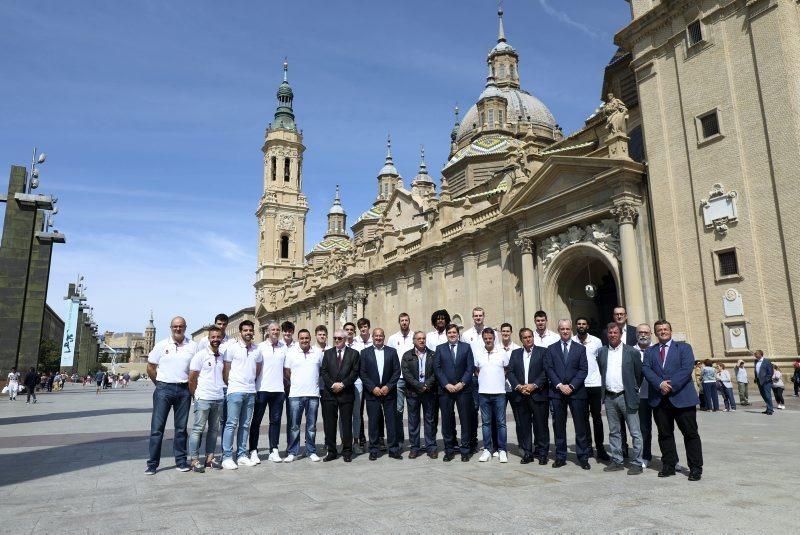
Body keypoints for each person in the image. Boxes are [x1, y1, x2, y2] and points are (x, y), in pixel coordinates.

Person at [642, 319, 703, 481]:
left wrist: (671, 385)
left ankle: (695, 468)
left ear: (670, 331)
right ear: (655, 333)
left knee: (690, 434)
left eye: (665, 329)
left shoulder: (684, 348)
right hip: (659, 399)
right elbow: (646, 369)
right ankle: (669, 465)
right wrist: (660, 384)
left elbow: (686, 368)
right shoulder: (650, 351)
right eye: (659, 330)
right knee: (664, 434)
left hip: (682, 398)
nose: (662, 331)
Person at [145, 316, 198, 475]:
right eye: (175, 326)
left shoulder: (193, 346)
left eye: (181, 326)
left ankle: (181, 461)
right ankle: (152, 464)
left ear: (185, 327)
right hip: (164, 389)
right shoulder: (162, 345)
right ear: (171, 327)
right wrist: (160, 384)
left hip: (183, 390)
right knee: (157, 429)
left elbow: (195, 370)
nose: (178, 329)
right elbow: (150, 367)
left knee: (181, 429)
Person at [597, 323, 644, 475]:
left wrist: (633, 389)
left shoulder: (631, 352)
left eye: (615, 332)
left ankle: (637, 462)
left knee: (635, 432)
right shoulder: (602, 352)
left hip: (627, 396)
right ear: (607, 335)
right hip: (610, 398)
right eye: (610, 333)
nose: (612, 335)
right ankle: (617, 460)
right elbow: (601, 370)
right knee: (614, 431)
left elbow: (639, 374)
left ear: (620, 334)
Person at [544, 319, 590, 469]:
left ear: (571, 330)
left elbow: (583, 370)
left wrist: (571, 386)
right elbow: (549, 369)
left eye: (567, 329)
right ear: (558, 330)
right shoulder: (551, 349)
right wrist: (559, 385)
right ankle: (560, 456)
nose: (565, 331)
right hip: (557, 393)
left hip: (576, 392)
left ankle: (583, 457)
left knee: (580, 425)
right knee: (559, 426)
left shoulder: (580, 349)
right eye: (562, 329)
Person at [221, 320, 263, 470]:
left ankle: (242, 455)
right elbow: (226, 370)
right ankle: (226, 456)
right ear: (240, 332)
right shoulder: (232, 348)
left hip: (250, 391)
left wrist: (250, 383)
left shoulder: (257, 350)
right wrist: (232, 384)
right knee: (231, 424)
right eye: (245, 330)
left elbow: (257, 369)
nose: (248, 333)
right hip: (235, 391)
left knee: (245, 425)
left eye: (250, 330)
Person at [507, 328, 549, 465]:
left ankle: (542, 453)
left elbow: (545, 371)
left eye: (530, 336)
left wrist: (534, 385)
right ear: (521, 339)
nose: (528, 339)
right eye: (525, 337)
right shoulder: (515, 353)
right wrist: (519, 386)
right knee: (523, 426)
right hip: (521, 395)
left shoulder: (542, 352)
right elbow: (510, 372)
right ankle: (527, 453)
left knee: (540, 425)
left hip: (538, 394)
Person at [188, 326, 226, 472]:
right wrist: (196, 395)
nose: (216, 339)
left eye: (218, 337)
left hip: (218, 397)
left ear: (222, 338)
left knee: (213, 430)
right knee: (198, 429)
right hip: (203, 397)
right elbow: (192, 378)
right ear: (209, 338)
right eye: (213, 337)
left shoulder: (222, 356)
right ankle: (194, 460)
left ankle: (210, 459)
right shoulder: (200, 355)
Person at [434, 323, 474, 462]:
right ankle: (449, 450)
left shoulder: (466, 347)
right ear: (446, 335)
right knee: (447, 420)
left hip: (463, 390)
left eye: (454, 332)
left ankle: (465, 450)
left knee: (465, 420)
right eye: (449, 332)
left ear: (458, 334)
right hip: (446, 390)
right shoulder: (440, 349)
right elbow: (437, 369)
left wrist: (461, 383)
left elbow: (470, 368)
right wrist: (446, 384)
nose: (452, 335)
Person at [360, 328, 402, 460]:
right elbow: (362, 373)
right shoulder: (365, 353)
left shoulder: (392, 352)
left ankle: (393, 449)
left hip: (388, 393)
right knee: (373, 422)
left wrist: (388, 386)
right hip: (372, 393)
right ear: (372, 337)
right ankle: (373, 449)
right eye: (376, 336)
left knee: (391, 422)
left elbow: (397, 371)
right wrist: (372, 388)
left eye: (381, 336)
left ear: (384, 337)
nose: (378, 338)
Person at [320, 329, 360, 462]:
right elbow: (324, 372)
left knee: (346, 423)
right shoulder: (328, 353)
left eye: (339, 338)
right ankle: (331, 451)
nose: (337, 340)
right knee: (329, 424)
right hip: (329, 394)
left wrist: (342, 384)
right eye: (335, 338)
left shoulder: (354, 354)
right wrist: (333, 385)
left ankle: (347, 451)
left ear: (345, 339)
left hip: (346, 393)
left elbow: (355, 373)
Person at [461, 307, 497, 454]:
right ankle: (473, 441)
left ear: (484, 316)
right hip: (473, 378)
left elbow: (497, 350)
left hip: (488, 376)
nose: (478, 318)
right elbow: (464, 355)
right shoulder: (466, 334)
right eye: (475, 315)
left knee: (490, 411)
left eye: (480, 315)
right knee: (473, 410)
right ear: (472, 317)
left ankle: (493, 443)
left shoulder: (491, 332)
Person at [283, 329, 323, 462]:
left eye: (307, 338)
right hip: (295, 394)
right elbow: (287, 372)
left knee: (311, 426)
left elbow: (321, 370)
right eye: (302, 338)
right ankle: (293, 452)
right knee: (294, 426)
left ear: (310, 339)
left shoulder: (317, 353)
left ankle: (310, 450)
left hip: (313, 394)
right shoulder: (291, 353)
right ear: (298, 339)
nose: (304, 340)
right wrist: (295, 382)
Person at [250, 322, 287, 464]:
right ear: (268, 331)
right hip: (262, 389)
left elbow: (287, 368)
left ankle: (274, 449)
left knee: (276, 421)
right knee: (256, 421)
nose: (276, 332)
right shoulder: (260, 347)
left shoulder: (284, 347)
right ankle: (253, 450)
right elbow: (255, 368)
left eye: (278, 329)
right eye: (273, 329)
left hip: (278, 390)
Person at [573, 316, 609, 461]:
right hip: (580, 385)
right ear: (576, 326)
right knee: (583, 418)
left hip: (595, 384)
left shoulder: (596, 341)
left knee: (597, 418)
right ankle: (587, 447)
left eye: (584, 324)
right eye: (579, 324)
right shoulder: (572, 341)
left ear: (588, 326)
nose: (581, 326)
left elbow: (601, 362)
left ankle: (600, 447)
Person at [474, 328, 510, 463]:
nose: (488, 340)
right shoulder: (478, 353)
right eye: (486, 338)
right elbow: (476, 370)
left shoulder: (502, 353)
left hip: (499, 393)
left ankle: (502, 450)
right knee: (486, 423)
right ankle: (487, 449)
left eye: (490, 338)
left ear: (494, 338)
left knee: (501, 423)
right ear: (483, 339)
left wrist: (497, 379)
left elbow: (506, 369)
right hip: (483, 393)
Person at [401, 331, 437, 459]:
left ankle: (431, 447)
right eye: (419, 338)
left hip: (429, 392)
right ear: (414, 340)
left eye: (423, 338)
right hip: (413, 393)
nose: (422, 341)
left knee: (430, 420)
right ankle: (415, 447)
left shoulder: (433, 354)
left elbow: (436, 372)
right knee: (413, 421)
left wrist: (427, 384)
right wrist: (418, 385)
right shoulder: (407, 355)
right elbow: (406, 374)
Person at [387, 313, 414, 448]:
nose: (404, 322)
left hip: (412, 380)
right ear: (399, 322)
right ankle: (399, 439)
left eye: (406, 320)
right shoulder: (393, 338)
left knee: (413, 410)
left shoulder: (414, 337)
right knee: (398, 410)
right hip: (398, 379)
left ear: (409, 322)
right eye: (402, 320)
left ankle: (414, 440)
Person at [342, 321, 365, 452]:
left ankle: (356, 441)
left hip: (357, 382)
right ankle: (344, 441)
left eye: (351, 329)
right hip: (342, 383)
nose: (349, 331)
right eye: (347, 329)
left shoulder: (360, 346)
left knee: (356, 413)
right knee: (343, 414)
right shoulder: (340, 344)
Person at [352, 318, 375, 450]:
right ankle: (361, 437)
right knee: (358, 411)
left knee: (375, 411)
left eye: (365, 326)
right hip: (360, 381)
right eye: (361, 327)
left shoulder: (375, 339)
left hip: (374, 381)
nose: (363, 329)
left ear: (368, 327)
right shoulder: (355, 342)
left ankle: (378, 438)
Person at [753, 350, 774, 415]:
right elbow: (756, 371)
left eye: (756, 354)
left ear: (761, 354)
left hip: (766, 382)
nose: (755, 355)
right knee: (763, 395)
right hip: (759, 381)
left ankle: (770, 410)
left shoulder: (767, 361)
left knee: (767, 395)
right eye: (755, 354)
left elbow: (770, 372)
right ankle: (768, 408)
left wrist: (766, 380)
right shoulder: (756, 361)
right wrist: (756, 378)